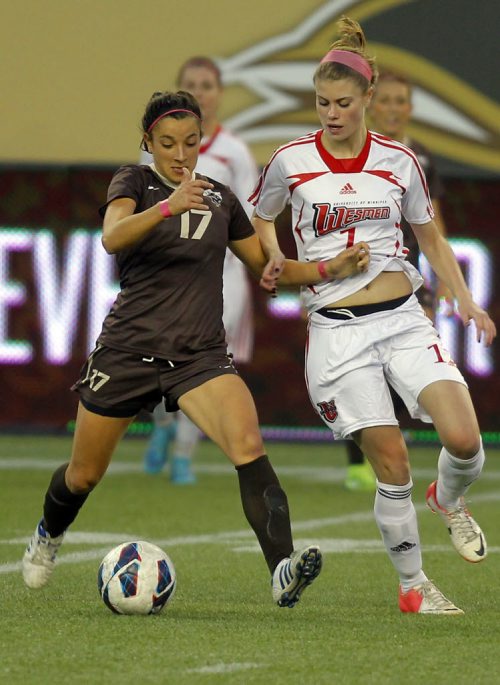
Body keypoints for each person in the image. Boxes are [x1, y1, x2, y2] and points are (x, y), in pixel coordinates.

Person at [21, 90, 371, 607]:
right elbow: (112, 238)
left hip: (199, 355)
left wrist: (327, 269)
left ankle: (282, 572)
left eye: (189, 142)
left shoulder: (221, 198)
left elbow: (267, 268)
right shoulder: (134, 182)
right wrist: (166, 206)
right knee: (84, 474)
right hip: (128, 349)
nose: (180, 154)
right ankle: (48, 536)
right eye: (167, 143)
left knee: (249, 447)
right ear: (148, 142)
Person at [251, 16, 496, 614]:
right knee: (391, 460)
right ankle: (414, 587)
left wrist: (464, 297)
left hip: (403, 320)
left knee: (465, 441)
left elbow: (430, 237)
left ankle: (449, 500)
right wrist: (277, 255)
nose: (331, 113)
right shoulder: (290, 160)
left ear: (366, 99)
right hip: (337, 335)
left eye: (342, 102)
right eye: (321, 103)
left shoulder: (399, 161)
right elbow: (259, 214)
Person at [141, 57, 259, 484]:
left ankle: (185, 454)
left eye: (208, 85)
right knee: (160, 360)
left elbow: (251, 215)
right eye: (191, 84)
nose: (201, 92)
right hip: (168, 276)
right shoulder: (151, 150)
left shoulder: (235, 153)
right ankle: (162, 427)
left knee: (204, 367)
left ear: (220, 93)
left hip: (221, 278)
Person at [342, 70, 454, 492]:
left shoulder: (419, 158)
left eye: (399, 101)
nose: (391, 108)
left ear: (409, 108)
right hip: (356, 276)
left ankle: (389, 446)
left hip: (408, 279)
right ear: (372, 103)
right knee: (358, 369)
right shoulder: (355, 151)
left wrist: (444, 279)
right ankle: (358, 459)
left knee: (401, 368)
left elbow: (433, 224)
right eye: (384, 100)